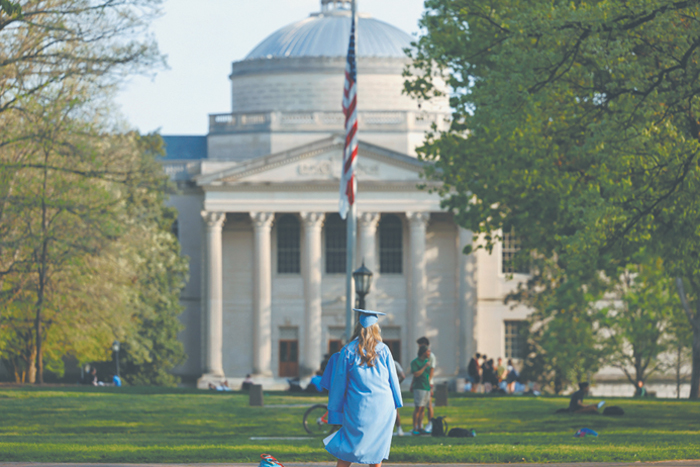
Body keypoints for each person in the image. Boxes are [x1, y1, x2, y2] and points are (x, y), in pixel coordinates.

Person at [324, 309, 403, 467]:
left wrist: (335, 407)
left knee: (348, 445)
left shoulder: (348, 350)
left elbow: (339, 383)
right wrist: (397, 402)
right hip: (383, 406)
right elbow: (393, 380)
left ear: (357, 329)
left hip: (359, 406)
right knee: (376, 448)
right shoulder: (384, 350)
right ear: (376, 330)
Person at [410, 345, 432, 435]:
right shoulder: (415, 362)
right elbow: (416, 374)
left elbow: (428, 376)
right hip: (419, 387)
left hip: (426, 387)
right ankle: (414, 427)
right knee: (418, 408)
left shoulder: (427, 362)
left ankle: (420, 427)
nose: (429, 353)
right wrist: (424, 367)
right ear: (424, 352)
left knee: (423, 408)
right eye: (428, 352)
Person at [416, 336, 436, 432]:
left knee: (429, 405)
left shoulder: (430, 356)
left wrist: (429, 384)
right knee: (422, 406)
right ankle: (420, 425)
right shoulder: (421, 356)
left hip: (428, 384)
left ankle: (430, 423)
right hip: (422, 383)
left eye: (420, 345)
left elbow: (431, 370)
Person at [393, 359, 406, 436]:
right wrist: (397, 383)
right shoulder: (395, 363)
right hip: (392, 388)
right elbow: (403, 376)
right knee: (395, 410)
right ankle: (399, 429)